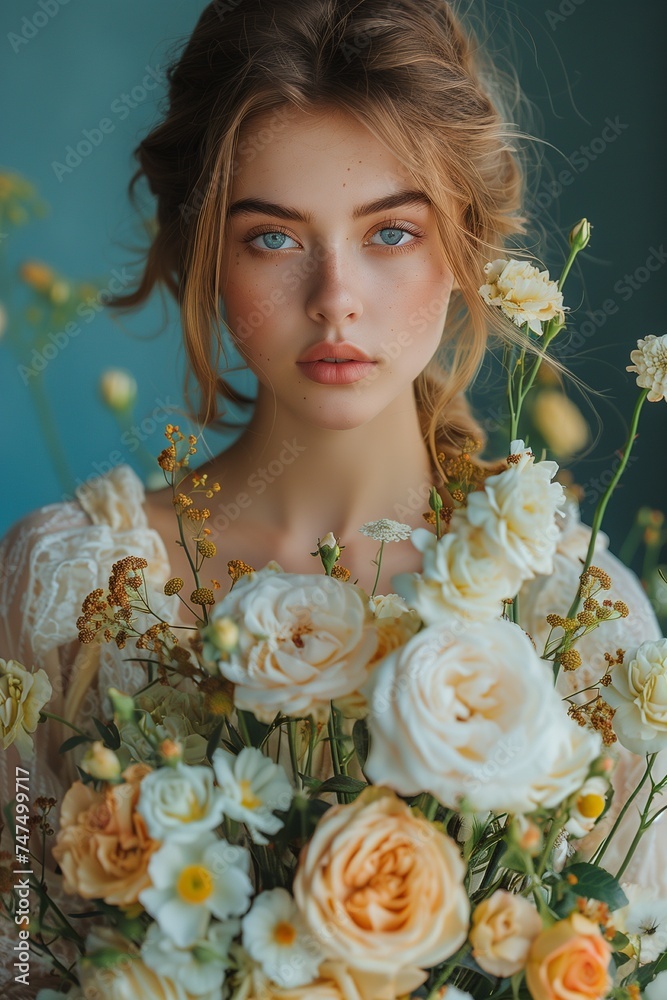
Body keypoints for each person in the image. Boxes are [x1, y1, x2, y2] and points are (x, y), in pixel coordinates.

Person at [0, 0, 663, 993]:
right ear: (204, 254)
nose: (335, 297)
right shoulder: (65, 584)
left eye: (390, 232)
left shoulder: (582, 617)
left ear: (463, 247)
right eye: (273, 238)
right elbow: (16, 943)